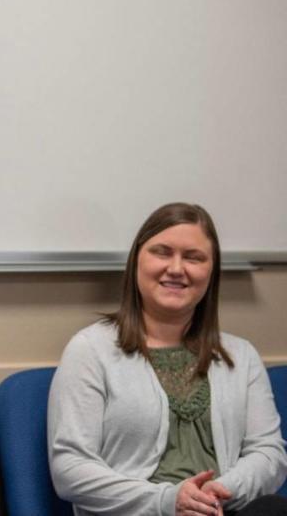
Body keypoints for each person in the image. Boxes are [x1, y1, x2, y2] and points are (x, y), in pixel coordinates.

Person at [48, 203, 287, 516]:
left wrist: (220, 491)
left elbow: (269, 454)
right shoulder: (90, 350)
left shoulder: (241, 357)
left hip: (222, 509)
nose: (176, 268)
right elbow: (70, 468)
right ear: (137, 261)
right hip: (139, 512)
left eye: (193, 257)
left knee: (272, 509)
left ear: (211, 271)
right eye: (162, 252)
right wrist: (168, 500)